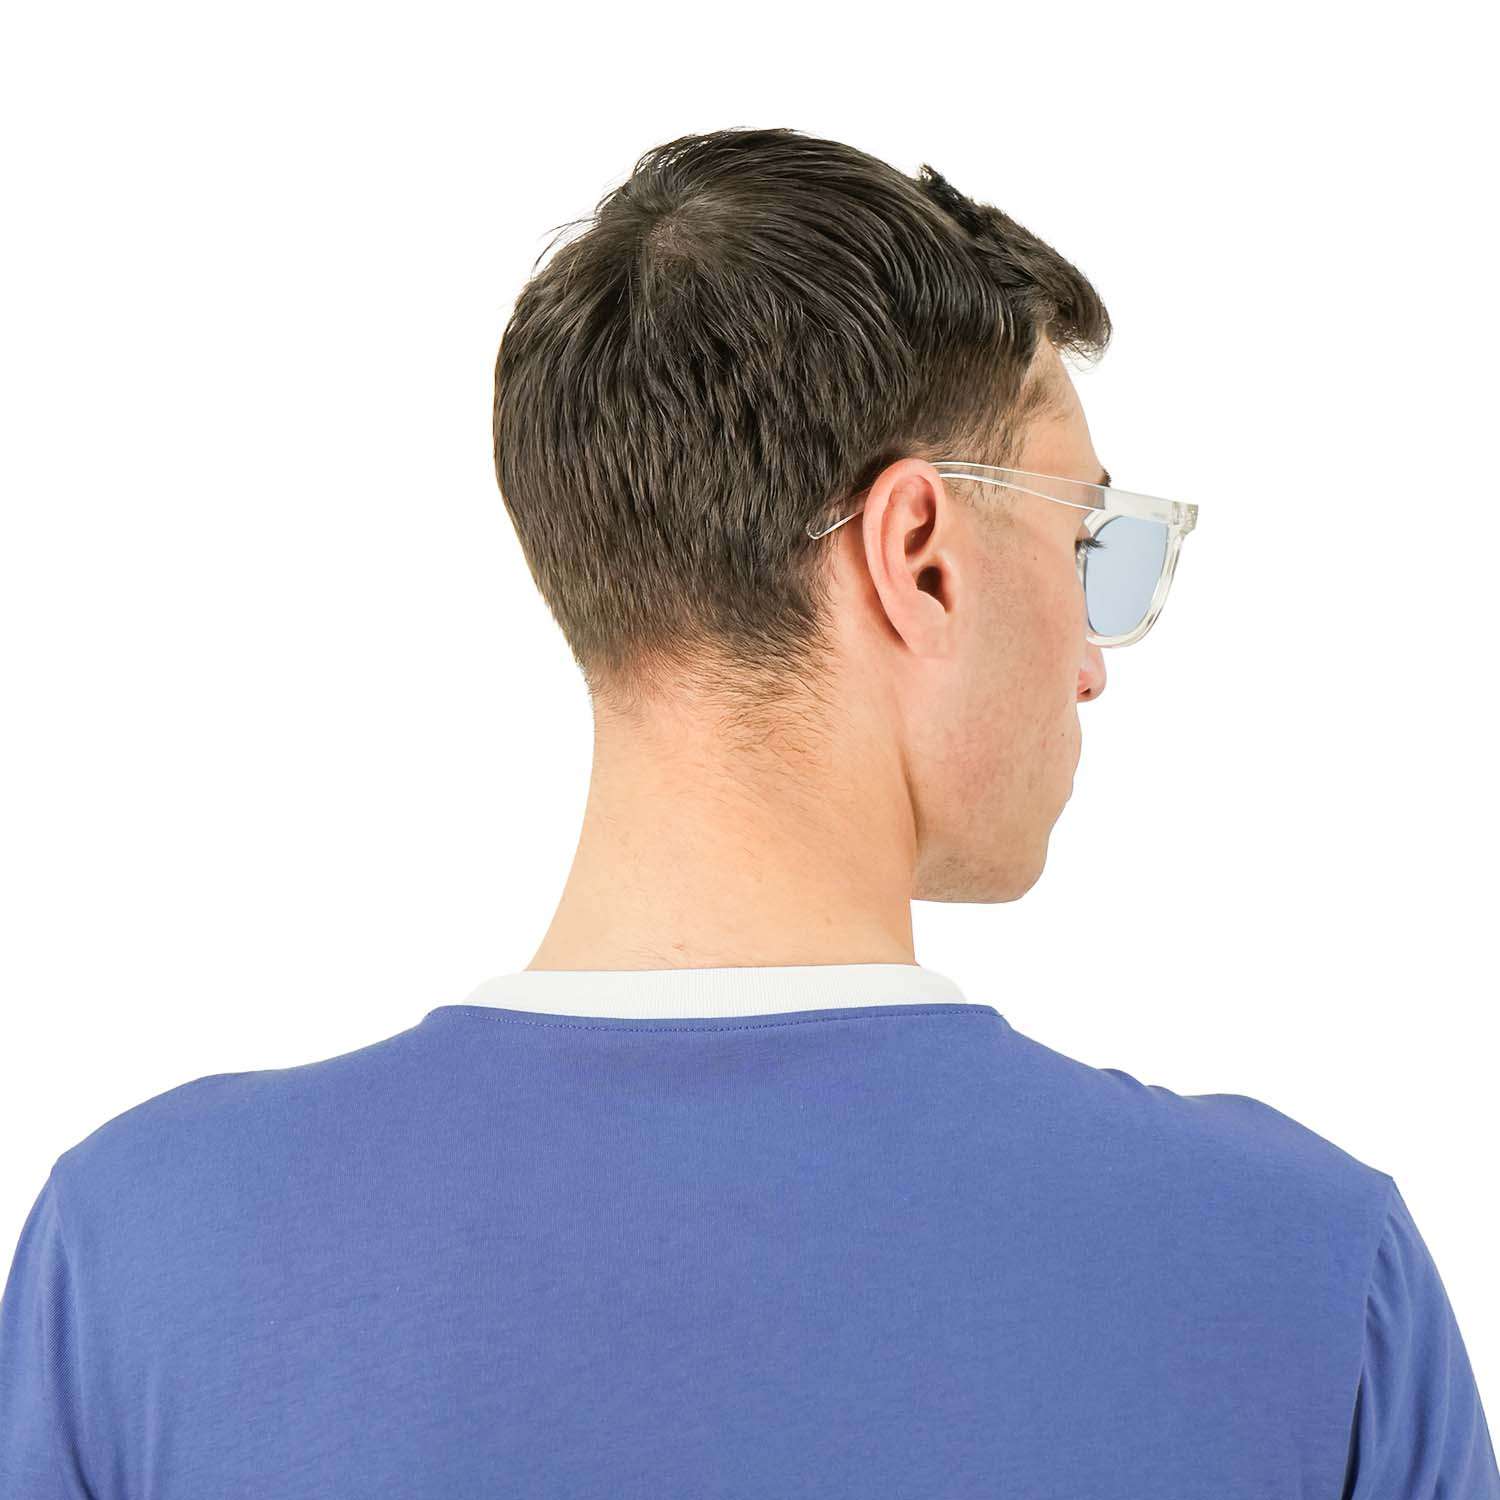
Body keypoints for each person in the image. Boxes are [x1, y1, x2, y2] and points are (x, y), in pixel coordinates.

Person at [2, 126, 1494, 1499]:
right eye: (1087, 537)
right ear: (920, 555)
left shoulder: (139, 1256)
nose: (1095, 660)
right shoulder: (1305, 1271)